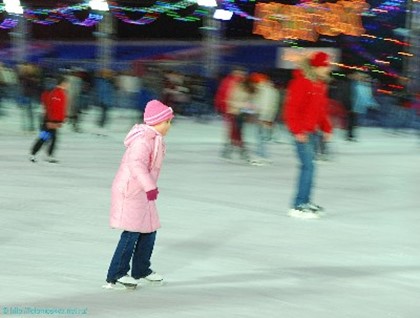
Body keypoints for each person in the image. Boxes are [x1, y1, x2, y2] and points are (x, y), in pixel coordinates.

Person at [103, 100, 174, 289]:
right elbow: (137, 166)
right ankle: (116, 273)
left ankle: (141, 269)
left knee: (149, 230)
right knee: (131, 231)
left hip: (142, 190)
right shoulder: (143, 141)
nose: (169, 126)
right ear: (156, 122)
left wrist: (148, 187)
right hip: (131, 190)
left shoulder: (155, 138)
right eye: (167, 121)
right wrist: (150, 186)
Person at [283, 51, 333, 219]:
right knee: (308, 167)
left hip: (311, 132)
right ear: (317, 67)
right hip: (302, 133)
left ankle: (305, 201)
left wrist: (326, 128)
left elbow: (320, 111)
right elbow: (290, 109)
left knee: (310, 167)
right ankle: (298, 205)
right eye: (326, 66)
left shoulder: (319, 85)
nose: (328, 69)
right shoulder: (301, 82)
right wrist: (297, 131)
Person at [29, 75, 69, 163]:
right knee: (44, 137)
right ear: (62, 83)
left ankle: (46, 155)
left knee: (52, 138)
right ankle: (34, 154)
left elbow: (61, 109)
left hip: (53, 120)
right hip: (49, 120)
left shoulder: (61, 93)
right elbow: (52, 108)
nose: (68, 85)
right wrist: (51, 121)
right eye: (67, 83)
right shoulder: (56, 93)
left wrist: (61, 120)